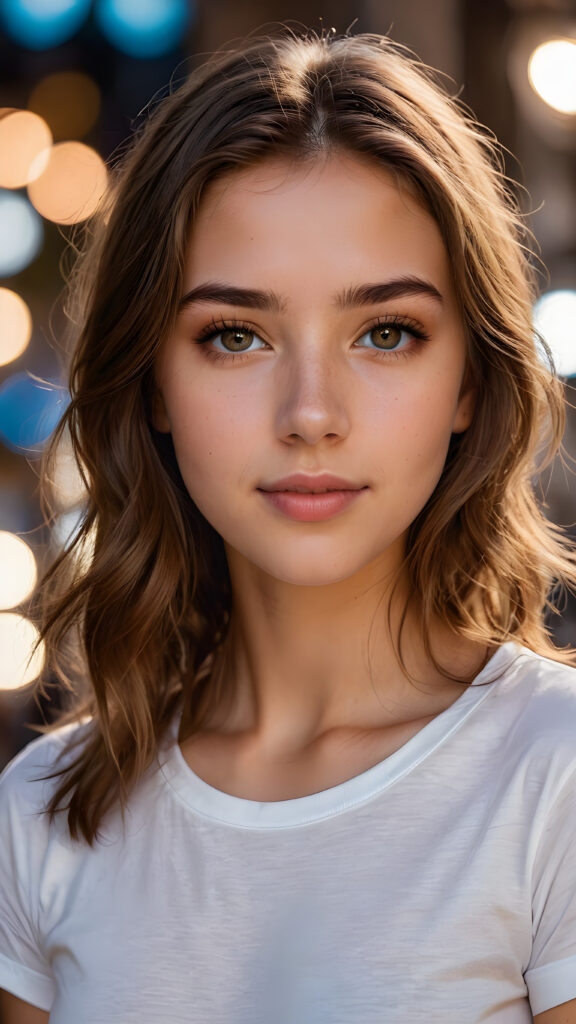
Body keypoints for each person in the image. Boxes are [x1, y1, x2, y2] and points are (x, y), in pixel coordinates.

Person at [0, 29, 575, 1024]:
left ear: (471, 381)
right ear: (155, 384)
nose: (311, 411)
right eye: (236, 335)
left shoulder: (553, 777)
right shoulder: (47, 809)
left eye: (386, 332)